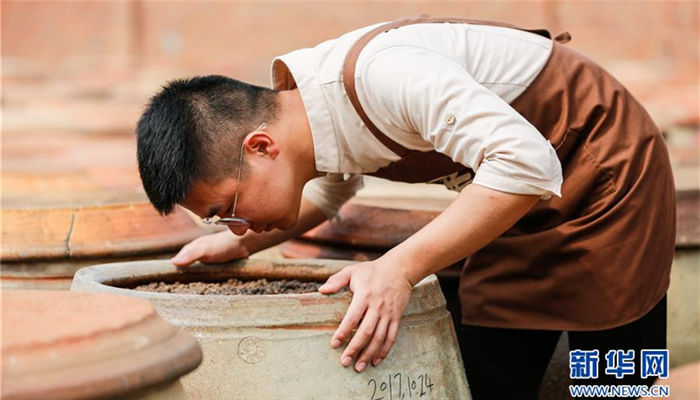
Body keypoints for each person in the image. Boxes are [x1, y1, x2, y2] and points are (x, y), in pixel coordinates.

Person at [135, 15, 675, 399]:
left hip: (605, 177)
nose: (235, 222)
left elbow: (524, 163)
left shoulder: (383, 76)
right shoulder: (302, 116)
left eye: (227, 208)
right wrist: (240, 241)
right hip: (511, 198)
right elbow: (330, 186)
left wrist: (399, 267)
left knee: (613, 380)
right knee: (488, 360)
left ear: (259, 147)